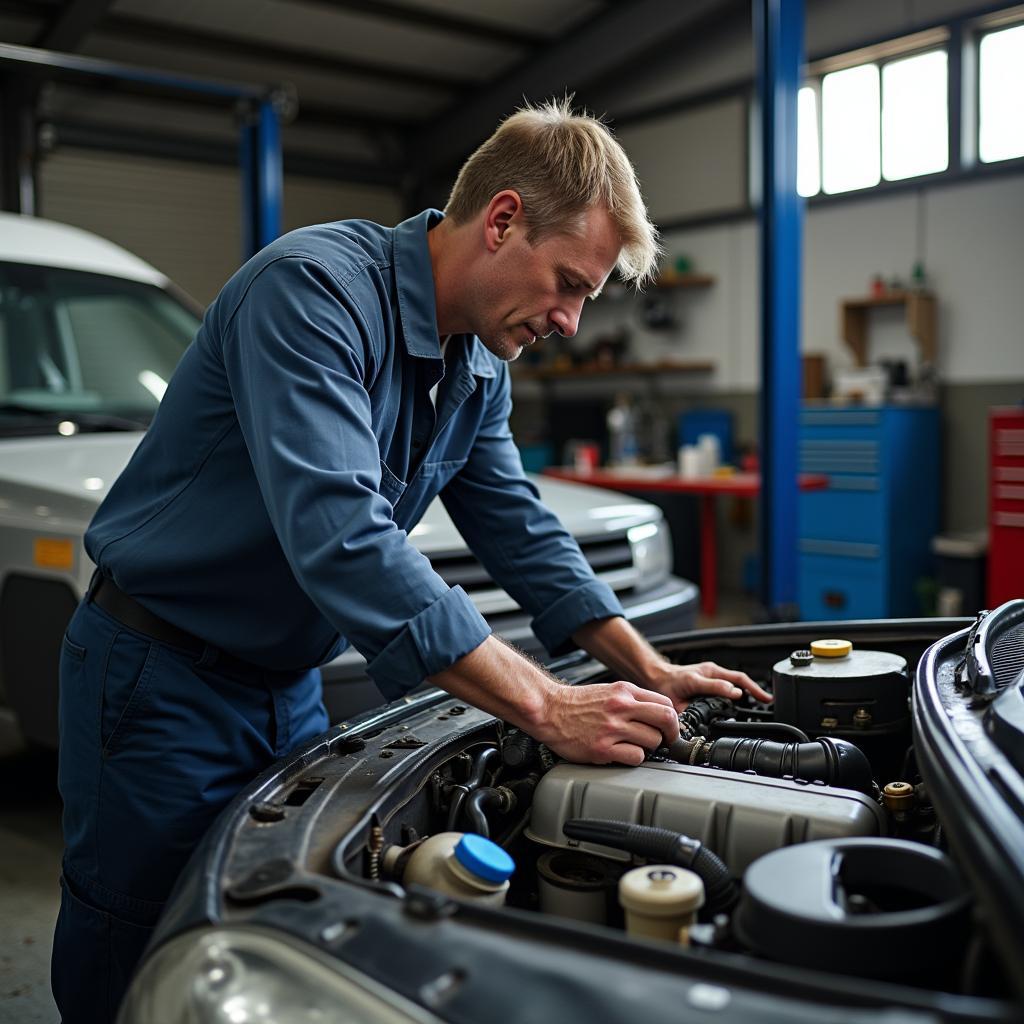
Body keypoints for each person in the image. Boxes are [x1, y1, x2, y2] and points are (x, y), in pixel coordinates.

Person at [51, 98, 769, 1022]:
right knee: (136, 948)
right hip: (158, 679)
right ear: (502, 219)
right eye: (567, 283)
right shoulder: (310, 293)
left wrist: (647, 664)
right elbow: (343, 537)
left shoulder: (477, 366)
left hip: (291, 685)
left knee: (267, 937)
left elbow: (519, 526)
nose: (569, 321)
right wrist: (547, 704)